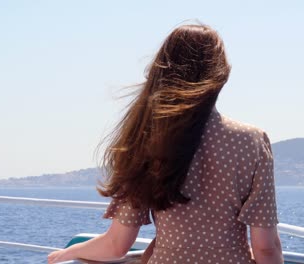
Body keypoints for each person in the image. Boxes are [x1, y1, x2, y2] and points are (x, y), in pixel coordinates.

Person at [48, 24, 283, 264]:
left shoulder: (148, 140)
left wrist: (68, 253)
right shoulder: (251, 140)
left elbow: (116, 244)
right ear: (221, 75)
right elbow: (265, 248)